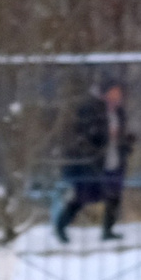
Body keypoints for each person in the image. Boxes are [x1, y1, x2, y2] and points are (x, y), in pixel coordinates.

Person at [55, 77, 133, 243]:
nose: (117, 96)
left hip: (114, 158)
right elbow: (84, 134)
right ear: (105, 93)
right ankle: (61, 226)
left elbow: (121, 133)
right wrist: (104, 135)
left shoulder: (118, 111)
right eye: (113, 92)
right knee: (83, 196)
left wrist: (126, 142)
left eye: (119, 93)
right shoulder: (91, 108)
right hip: (93, 161)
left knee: (114, 194)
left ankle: (108, 230)